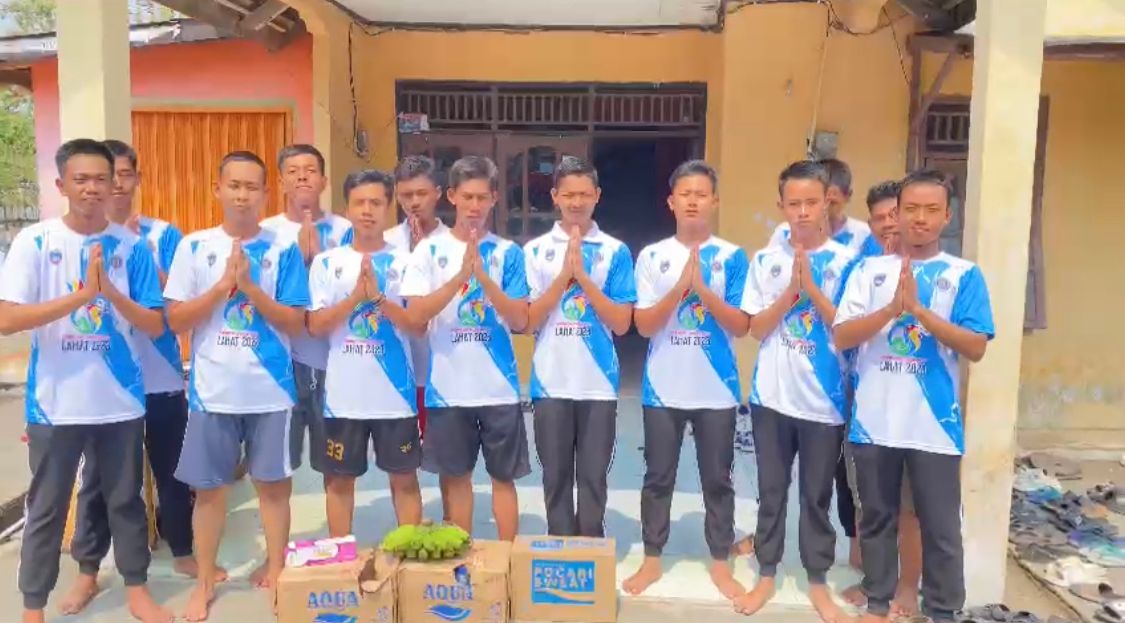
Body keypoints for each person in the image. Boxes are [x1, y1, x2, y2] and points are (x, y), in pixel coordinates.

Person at [0, 139, 170, 623]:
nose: (93, 188)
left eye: (102, 179)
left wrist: (109, 292)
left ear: (115, 184)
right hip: (55, 404)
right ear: (61, 185)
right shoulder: (35, 241)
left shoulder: (131, 247)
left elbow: (155, 324)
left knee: (125, 501)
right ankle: (33, 606)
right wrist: (82, 297)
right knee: (47, 508)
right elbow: (7, 319)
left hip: (119, 402)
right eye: (81, 179)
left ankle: (137, 589)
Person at [834, 169, 994, 623]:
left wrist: (920, 311)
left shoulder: (964, 275)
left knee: (941, 527)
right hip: (875, 421)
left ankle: (942, 609)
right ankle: (878, 600)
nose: (919, 218)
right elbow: (842, 336)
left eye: (931, 210)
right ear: (897, 214)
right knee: (876, 518)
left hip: (934, 427)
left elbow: (975, 346)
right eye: (911, 209)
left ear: (947, 216)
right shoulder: (868, 271)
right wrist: (891, 309)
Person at [60, 140, 206, 615]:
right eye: (109, 175)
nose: (116, 185)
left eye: (124, 175)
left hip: (160, 376)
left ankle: (182, 549)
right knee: (99, 480)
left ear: (136, 180)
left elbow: (178, 303)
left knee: (172, 470)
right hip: (105, 382)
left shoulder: (163, 235)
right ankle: (88, 571)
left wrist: (139, 257)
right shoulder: (75, 239)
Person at [164, 151, 310, 621]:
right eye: (234, 185)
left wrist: (250, 288)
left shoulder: (282, 249)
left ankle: (278, 570)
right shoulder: (194, 246)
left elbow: (295, 321)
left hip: (271, 392)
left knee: (274, 488)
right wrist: (221, 286)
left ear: (266, 193)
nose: (242, 195)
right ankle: (205, 581)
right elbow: (176, 320)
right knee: (210, 492)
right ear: (218, 189)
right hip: (213, 393)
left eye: (252, 187)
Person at [733, 161, 856, 622]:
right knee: (771, 492)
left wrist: (813, 291)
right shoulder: (765, 261)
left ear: (828, 203)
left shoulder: (848, 263)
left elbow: (847, 331)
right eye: (794, 203)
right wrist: (790, 293)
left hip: (824, 403)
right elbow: (754, 328)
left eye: (811, 202)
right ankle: (766, 572)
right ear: (781, 206)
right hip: (772, 398)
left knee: (816, 497)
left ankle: (817, 581)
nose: (802, 212)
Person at [622, 160, 749, 600]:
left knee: (718, 479)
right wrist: (680, 287)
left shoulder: (732, 256)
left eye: (701, 194)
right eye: (685, 194)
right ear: (671, 202)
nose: (693, 201)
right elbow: (643, 325)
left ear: (715, 202)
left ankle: (720, 561)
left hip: (717, 391)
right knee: (658, 477)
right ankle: (652, 557)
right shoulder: (653, 256)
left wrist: (704, 290)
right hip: (663, 388)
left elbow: (740, 325)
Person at [399, 155, 531, 541]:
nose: (475, 206)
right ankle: (463, 557)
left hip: (499, 390)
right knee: (456, 479)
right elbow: (416, 316)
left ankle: (507, 558)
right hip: (448, 390)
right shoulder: (428, 251)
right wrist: (460, 276)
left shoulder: (508, 253)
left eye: (482, 198)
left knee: (503, 479)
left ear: (494, 199)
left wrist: (483, 279)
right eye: (467, 197)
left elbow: (520, 319)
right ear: (452, 196)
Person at [524, 156, 636, 537]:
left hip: (597, 384)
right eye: (568, 194)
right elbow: (528, 320)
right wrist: (563, 278)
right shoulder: (535, 251)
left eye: (584, 194)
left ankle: (590, 548)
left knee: (593, 477)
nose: (576, 202)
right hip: (550, 382)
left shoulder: (615, 251)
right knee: (555, 477)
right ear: (555, 196)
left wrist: (584, 279)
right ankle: (560, 547)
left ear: (597, 196)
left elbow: (621, 322)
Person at [308, 169, 424, 536]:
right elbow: (316, 325)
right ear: (347, 209)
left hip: (395, 397)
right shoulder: (328, 262)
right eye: (359, 203)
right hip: (344, 398)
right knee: (339, 481)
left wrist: (377, 298)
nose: (367, 210)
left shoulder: (407, 262)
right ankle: (342, 558)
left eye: (376, 202)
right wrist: (355, 298)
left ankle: (409, 555)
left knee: (404, 479)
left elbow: (417, 325)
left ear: (388, 208)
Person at [841, 180, 923, 617]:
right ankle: (877, 582)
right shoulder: (863, 270)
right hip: (867, 397)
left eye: (895, 214)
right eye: (879, 218)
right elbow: (843, 330)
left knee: (910, 504)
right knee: (872, 500)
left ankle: (907, 588)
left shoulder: (935, 269)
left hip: (917, 405)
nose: (889, 224)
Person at [260, 145, 352, 469]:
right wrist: (298, 260)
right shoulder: (266, 233)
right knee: (280, 464)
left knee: (336, 465)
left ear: (324, 181)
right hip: (282, 361)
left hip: (334, 361)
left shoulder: (345, 230)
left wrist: (319, 261)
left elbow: (353, 292)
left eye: (310, 171)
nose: (302, 177)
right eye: (293, 171)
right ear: (281, 181)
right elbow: (259, 296)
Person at [386, 155, 451, 441]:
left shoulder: (453, 243)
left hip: (441, 368)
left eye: (421, 193)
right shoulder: (385, 243)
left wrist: (424, 257)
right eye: (406, 195)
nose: (414, 202)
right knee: (399, 458)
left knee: (440, 455)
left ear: (437, 193)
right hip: (394, 367)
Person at [768, 158, 872, 254]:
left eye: (832, 203)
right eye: (811, 202)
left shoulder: (863, 234)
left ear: (848, 196)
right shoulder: (784, 232)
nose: (825, 210)